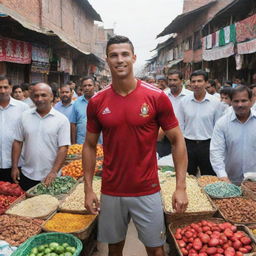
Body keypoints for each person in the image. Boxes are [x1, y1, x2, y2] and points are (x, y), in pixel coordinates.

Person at [83, 35, 188, 256]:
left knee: (156, 250)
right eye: (114, 55)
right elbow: (90, 145)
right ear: (107, 60)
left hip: (147, 189)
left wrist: (181, 187)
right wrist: (88, 188)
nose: (119, 60)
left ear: (133, 58)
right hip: (111, 190)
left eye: (124, 54)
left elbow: (177, 140)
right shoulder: (96, 102)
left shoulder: (156, 97)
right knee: (114, 250)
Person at [11, 83, 70, 190]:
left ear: (51, 97)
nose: (39, 99)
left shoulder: (62, 120)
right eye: (36, 95)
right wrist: (14, 167)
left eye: (43, 95)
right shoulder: (24, 117)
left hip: (51, 177)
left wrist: (54, 172)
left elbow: (63, 148)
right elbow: (17, 142)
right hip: (27, 174)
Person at [179, 70, 225, 176]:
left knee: (209, 177)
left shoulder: (215, 102)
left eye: (199, 81)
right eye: (193, 81)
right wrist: (181, 145)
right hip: (188, 145)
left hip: (208, 146)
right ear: (189, 83)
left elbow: (218, 128)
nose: (196, 84)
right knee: (188, 176)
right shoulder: (184, 102)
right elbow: (181, 125)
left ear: (206, 82)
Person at [210, 86, 256, 185]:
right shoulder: (222, 123)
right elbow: (216, 152)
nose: (240, 104)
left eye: (244, 100)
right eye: (236, 101)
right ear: (230, 102)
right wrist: (222, 176)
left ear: (251, 100)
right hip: (230, 181)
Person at [0, 75, 29, 182]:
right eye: (0, 88)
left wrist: (15, 166)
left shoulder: (22, 108)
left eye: (5, 87)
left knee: (15, 195)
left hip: (17, 164)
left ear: (11, 88)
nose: (2, 91)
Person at [70, 77, 95, 144]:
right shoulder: (76, 103)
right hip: (81, 142)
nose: (87, 88)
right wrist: (73, 143)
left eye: (89, 85)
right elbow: (73, 124)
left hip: (99, 143)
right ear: (82, 88)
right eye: (85, 86)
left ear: (94, 87)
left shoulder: (101, 101)